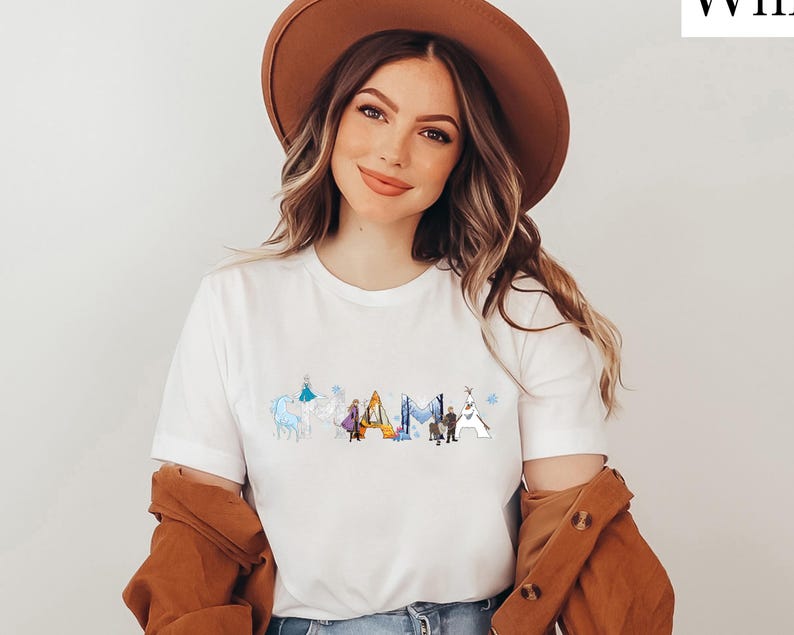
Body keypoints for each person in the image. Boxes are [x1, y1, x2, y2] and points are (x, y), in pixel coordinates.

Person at [123, 1, 674, 633]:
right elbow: (199, 535)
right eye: (373, 111)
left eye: (434, 132)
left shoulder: (519, 312)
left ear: (461, 159)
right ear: (333, 116)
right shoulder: (235, 302)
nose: (392, 151)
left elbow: (579, 542)